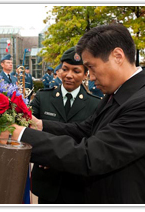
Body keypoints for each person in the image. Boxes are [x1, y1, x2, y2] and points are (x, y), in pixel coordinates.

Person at [0, 24, 145, 204]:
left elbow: (91, 156)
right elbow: (85, 129)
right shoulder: (120, 93)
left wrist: (21, 135)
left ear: (117, 56)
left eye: (92, 67)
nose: (92, 77)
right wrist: (39, 125)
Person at [30, 46, 101, 204]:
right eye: (65, 69)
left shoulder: (95, 104)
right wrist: (44, 156)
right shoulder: (43, 98)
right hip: (47, 182)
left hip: (78, 183)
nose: (69, 75)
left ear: (85, 74)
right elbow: (30, 129)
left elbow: (93, 141)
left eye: (76, 71)